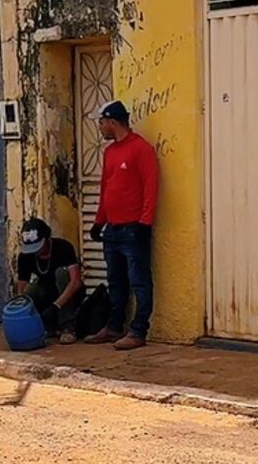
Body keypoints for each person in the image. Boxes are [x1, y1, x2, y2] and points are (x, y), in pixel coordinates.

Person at [85, 100, 159, 351]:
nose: (101, 128)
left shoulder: (141, 149)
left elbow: (151, 186)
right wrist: (99, 221)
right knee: (116, 281)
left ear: (113, 122)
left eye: (102, 123)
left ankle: (139, 330)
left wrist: (145, 222)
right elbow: (106, 189)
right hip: (113, 229)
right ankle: (114, 325)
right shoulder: (110, 153)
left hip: (133, 228)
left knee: (139, 280)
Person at [16, 217, 85, 345]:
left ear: (47, 239)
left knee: (61, 274)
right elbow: (22, 284)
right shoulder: (25, 257)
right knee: (30, 290)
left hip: (67, 291)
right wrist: (22, 306)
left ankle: (67, 327)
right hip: (46, 291)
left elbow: (76, 281)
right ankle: (44, 325)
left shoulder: (63, 247)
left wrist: (57, 305)